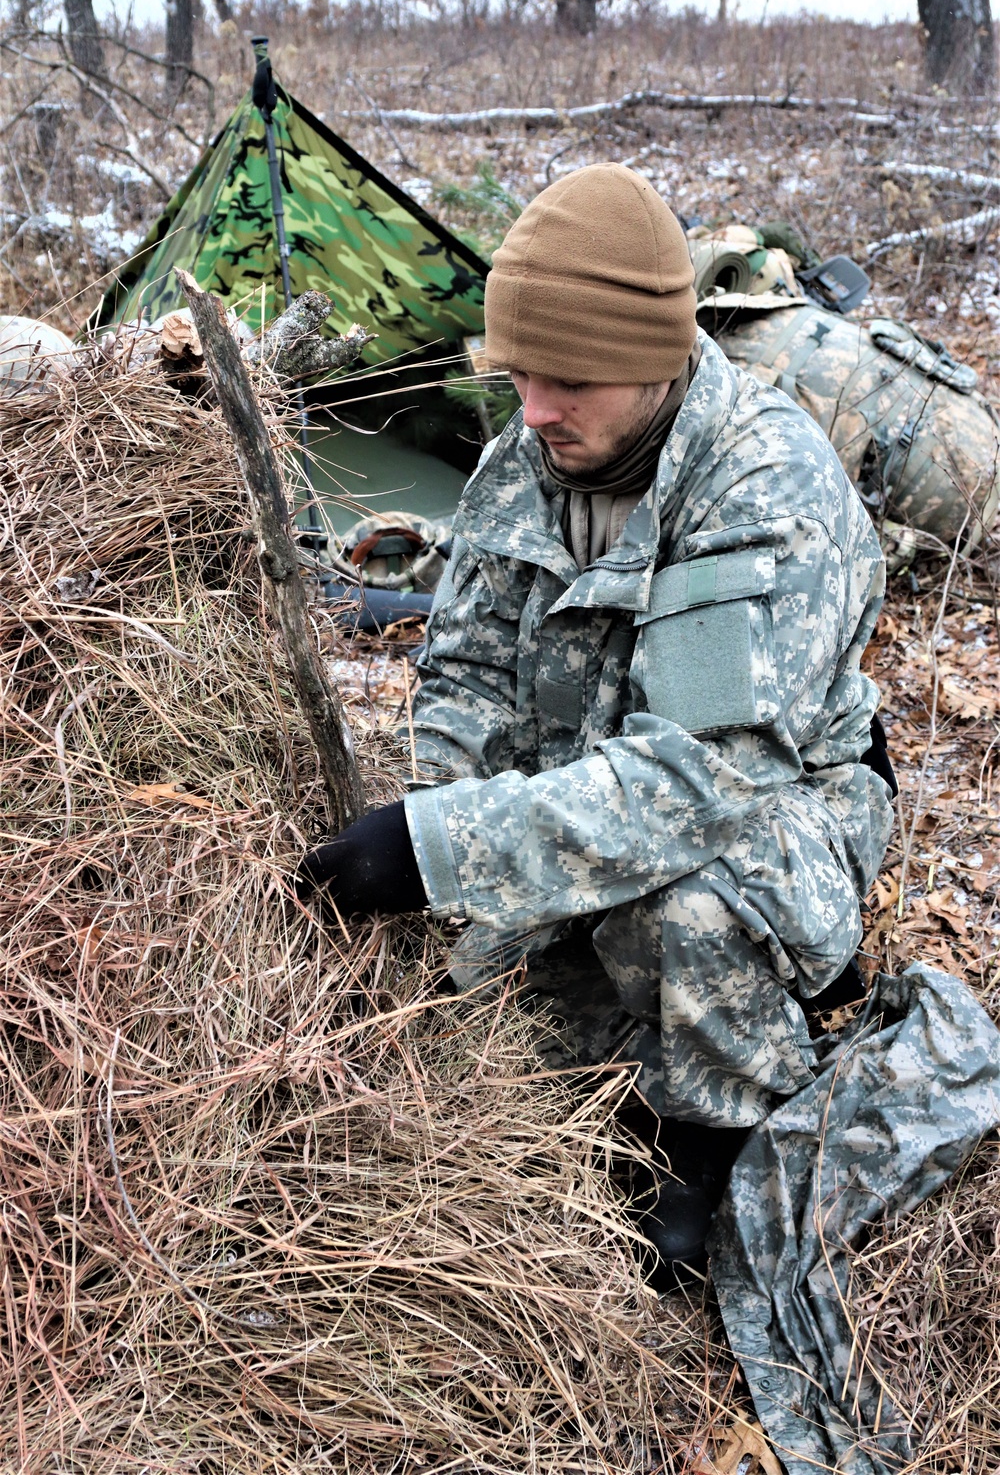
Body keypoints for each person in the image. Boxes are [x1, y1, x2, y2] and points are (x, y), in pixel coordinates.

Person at [301, 164, 895, 1285]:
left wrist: (442, 851)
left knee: (679, 907)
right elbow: (467, 669)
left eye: (568, 379)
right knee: (494, 978)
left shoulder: (763, 488)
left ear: (655, 358)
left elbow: (692, 781)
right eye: (518, 373)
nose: (533, 411)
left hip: (767, 809)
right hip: (584, 775)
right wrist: (439, 814)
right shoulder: (521, 460)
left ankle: (706, 1138)